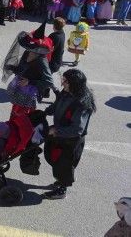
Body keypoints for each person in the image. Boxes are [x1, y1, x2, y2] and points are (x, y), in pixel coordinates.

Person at [42, 69, 96, 199]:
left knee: (64, 163)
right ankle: (63, 179)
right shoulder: (66, 92)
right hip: (60, 134)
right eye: (63, 80)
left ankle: (62, 189)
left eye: (65, 81)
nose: (62, 84)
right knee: (54, 158)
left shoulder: (81, 103)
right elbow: (57, 105)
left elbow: (77, 129)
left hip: (70, 140)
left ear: (74, 83)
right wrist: (45, 112)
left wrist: (56, 131)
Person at [3, 22, 54, 117]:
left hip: (28, 96)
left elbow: (49, 81)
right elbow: (22, 69)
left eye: (30, 45)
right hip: (19, 91)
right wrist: (13, 68)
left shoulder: (41, 59)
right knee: (14, 116)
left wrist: (30, 82)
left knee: (23, 119)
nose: (27, 46)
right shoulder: (27, 53)